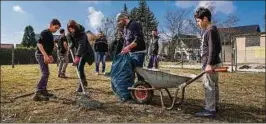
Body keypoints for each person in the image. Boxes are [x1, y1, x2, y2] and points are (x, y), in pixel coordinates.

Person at [194, 7, 222, 118]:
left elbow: (212, 48)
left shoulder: (210, 31)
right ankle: (214, 105)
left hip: (210, 64)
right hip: (214, 63)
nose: (198, 24)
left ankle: (209, 110)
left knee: (208, 86)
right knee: (214, 85)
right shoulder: (212, 30)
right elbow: (218, 48)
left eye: (198, 21)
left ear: (205, 19)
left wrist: (209, 64)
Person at [33, 19, 61, 101]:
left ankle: (43, 90)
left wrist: (50, 55)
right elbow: (39, 44)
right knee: (45, 73)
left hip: (45, 55)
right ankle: (37, 93)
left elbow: (47, 47)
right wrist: (45, 55)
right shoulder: (44, 32)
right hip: (40, 54)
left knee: (46, 73)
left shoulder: (51, 34)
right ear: (51, 25)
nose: (56, 30)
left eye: (57, 29)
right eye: (55, 28)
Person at [116, 11, 146, 82]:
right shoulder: (126, 28)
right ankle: (132, 88)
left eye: (119, 21)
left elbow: (138, 38)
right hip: (131, 53)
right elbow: (126, 41)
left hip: (138, 52)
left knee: (138, 71)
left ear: (124, 18)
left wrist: (128, 47)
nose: (118, 23)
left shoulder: (134, 24)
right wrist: (123, 50)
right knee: (130, 71)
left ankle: (142, 88)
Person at [66, 20, 94, 92]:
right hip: (79, 52)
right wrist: (71, 45)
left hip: (86, 52)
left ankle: (81, 85)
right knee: (80, 68)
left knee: (80, 66)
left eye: (72, 28)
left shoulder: (82, 34)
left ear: (76, 27)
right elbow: (70, 40)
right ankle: (84, 81)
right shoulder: (70, 34)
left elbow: (81, 45)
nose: (71, 30)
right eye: (69, 29)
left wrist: (77, 56)